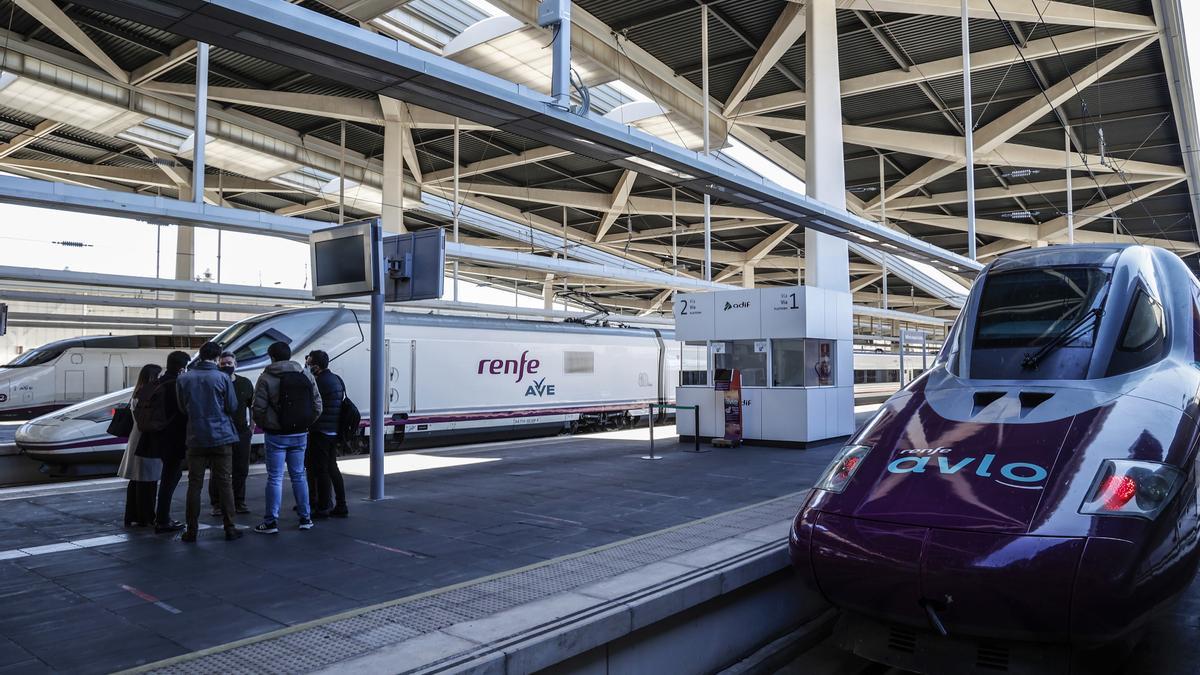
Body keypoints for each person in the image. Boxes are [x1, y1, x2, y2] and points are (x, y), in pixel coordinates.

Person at [252, 341, 321, 534]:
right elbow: (317, 405)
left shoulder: (266, 377)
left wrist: (267, 425)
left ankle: (271, 522)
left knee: (275, 477)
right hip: (300, 433)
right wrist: (305, 423)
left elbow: (258, 408)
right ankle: (305, 518)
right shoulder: (305, 374)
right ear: (289, 355)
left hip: (276, 435)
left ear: (271, 357)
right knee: (299, 475)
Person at [176, 341, 243, 542]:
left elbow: (181, 408)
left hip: (195, 437)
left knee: (194, 484)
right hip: (221, 436)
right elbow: (232, 406)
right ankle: (230, 527)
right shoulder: (223, 378)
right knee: (225, 482)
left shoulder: (184, 379)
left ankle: (192, 530)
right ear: (217, 357)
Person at [139, 350, 190, 534]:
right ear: (183, 367)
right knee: (170, 479)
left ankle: (161, 517)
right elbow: (184, 411)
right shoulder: (178, 385)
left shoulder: (155, 383)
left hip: (155, 437)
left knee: (167, 478)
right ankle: (162, 519)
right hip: (174, 438)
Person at [209, 352, 254, 517]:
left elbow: (252, 405)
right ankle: (217, 504)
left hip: (241, 431)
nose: (226, 366)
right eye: (223, 364)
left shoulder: (245, 383)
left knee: (241, 468)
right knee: (219, 469)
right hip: (220, 432)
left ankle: (239, 501)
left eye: (229, 363)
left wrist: (251, 427)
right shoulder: (214, 383)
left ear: (236, 364)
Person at [305, 350, 349, 519]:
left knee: (321, 470)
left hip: (320, 431)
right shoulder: (336, 379)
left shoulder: (318, 382)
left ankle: (323, 506)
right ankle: (341, 504)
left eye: (309, 363)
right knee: (332, 467)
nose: (307, 366)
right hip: (333, 431)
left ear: (316, 366)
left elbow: (311, 404)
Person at [118, 364, 163, 527]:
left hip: (136, 437)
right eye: (159, 375)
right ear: (153, 377)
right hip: (147, 439)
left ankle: (131, 516)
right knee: (148, 481)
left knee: (136, 480)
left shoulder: (138, 392)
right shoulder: (149, 394)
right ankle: (146, 517)